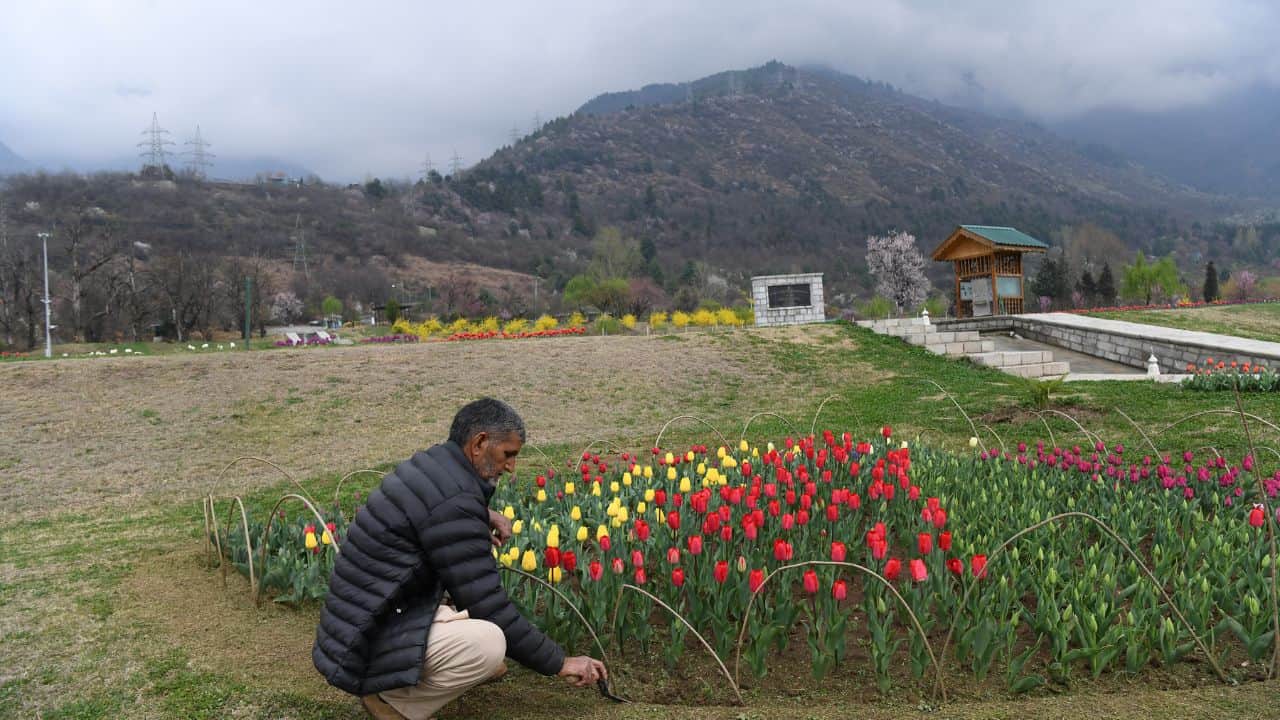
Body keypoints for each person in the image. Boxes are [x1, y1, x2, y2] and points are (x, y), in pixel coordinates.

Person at [313, 398, 607, 719]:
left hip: (358, 619)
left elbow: (431, 509)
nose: (511, 466)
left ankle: (424, 670)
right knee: (489, 643)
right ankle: (392, 700)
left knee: (473, 618)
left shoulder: (437, 466)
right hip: (361, 642)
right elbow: (488, 605)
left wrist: (482, 514)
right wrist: (559, 662)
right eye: (508, 454)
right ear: (479, 443)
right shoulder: (454, 503)